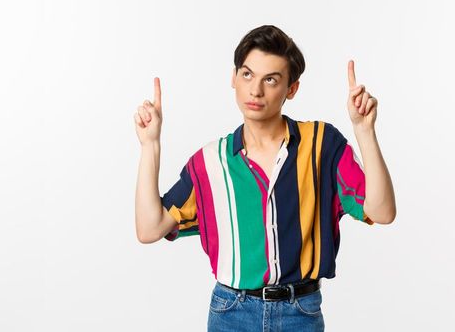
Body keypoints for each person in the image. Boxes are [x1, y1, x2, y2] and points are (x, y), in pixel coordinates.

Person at [133, 25, 396, 332]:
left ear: (292, 89)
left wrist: (364, 131)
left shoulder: (322, 145)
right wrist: (150, 145)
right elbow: (150, 228)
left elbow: (382, 211)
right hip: (231, 313)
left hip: (301, 312)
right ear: (233, 78)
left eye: (270, 80)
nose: (255, 90)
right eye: (247, 74)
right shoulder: (209, 162)